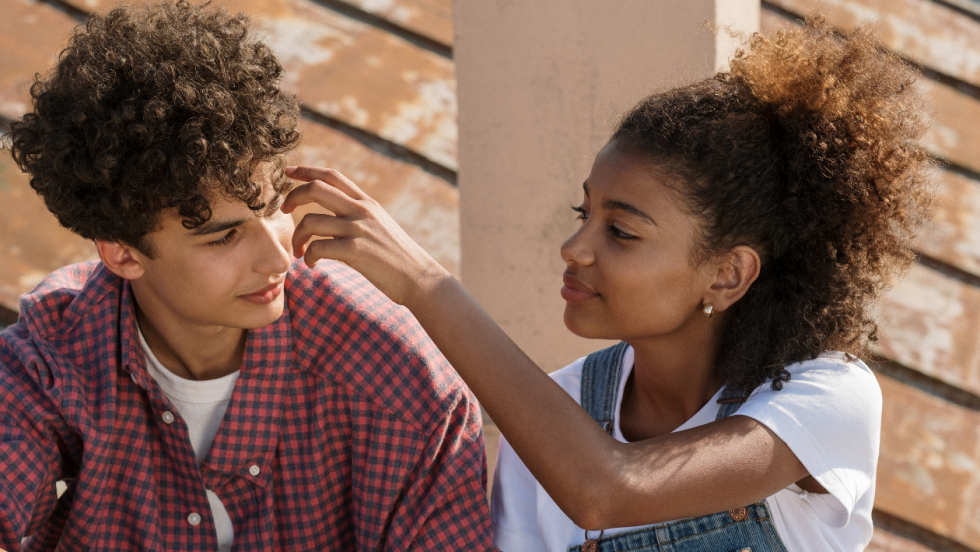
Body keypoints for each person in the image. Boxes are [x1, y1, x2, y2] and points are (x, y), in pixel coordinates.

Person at [280, 19, 932, 552]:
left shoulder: (824, 397)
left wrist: (425, 286)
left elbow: (607, 487)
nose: (574, 249)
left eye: (621, 232)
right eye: (582, 214)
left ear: (727, 273)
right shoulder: (558, 413)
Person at [0, 2, 494, 550]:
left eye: (274, 206)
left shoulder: (399, 382)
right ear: (121, 254)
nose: (279, 258)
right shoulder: (53, 351)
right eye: (224, 236)